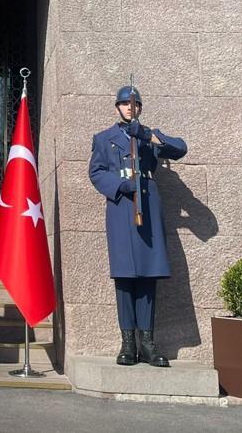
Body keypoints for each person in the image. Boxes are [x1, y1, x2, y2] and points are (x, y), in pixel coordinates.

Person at [88, 86, 187, 367]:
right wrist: (120, 185)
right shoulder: (104, 138)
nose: (129, 108)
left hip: (149, 208)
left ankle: (148, 342)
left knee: (148, 275)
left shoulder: (147, 136)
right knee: (125, 275)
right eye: (124, 104)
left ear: (140, 108)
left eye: (134, 104)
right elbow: (95, 172)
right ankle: (128, 343)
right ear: (116, 107)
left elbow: (180, 148)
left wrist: (145, 135)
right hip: (122, 208)